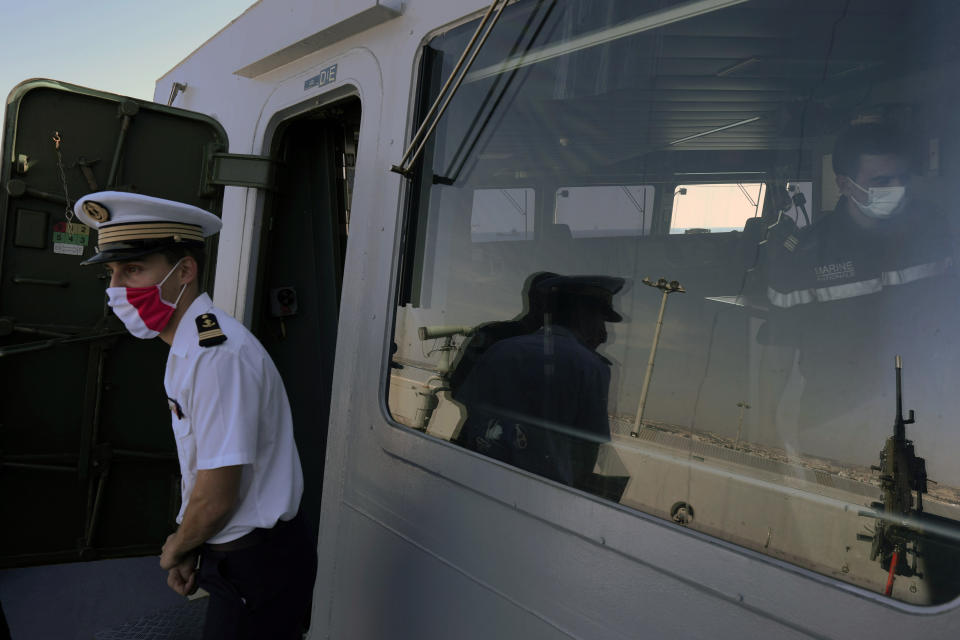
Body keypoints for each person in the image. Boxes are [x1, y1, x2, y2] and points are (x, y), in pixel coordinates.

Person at [75, 191, 316, 640]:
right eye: (111, 274)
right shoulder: (188, 347)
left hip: (257, 563)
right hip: (233, 553)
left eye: (133, 269)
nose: (116, 290)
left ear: (184, 271)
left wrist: (175, 549)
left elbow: (217, 496)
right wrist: (194, 548)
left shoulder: (216, 356)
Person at [757, 122, 958, 436]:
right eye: (882, 180)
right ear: (845, 184)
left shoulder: (933, 229)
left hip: (927, 413)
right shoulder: (805, 254)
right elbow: (778, 353)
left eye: (902, 178)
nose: (897, 188)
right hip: (834, 417)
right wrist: (767, 428)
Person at [455, 275, 623, 490]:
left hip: (477, 473)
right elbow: (586, 450)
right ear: (583, 316)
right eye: (600, 319)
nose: (604, 334)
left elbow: (472, 410)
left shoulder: (501, 349)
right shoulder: (591, 368)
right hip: (540, 491)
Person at [447, 270, 557, 400]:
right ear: (533, 299)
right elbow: (459, 386)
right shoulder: (494, 335)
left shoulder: (494, 334)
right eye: (546, 299)